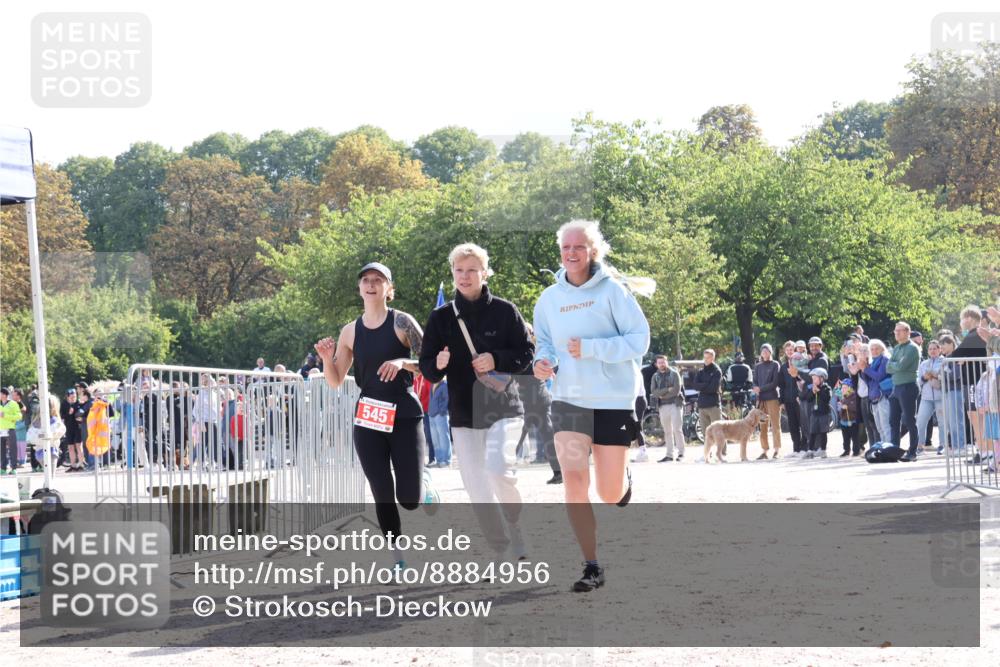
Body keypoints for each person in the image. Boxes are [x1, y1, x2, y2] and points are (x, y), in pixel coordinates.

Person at [531, 220, 651, 592]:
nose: (571, 253)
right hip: (568, 400)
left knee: (609, 494)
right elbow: (545, 344)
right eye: (565, 247)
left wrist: (592, 348)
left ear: (592, 251)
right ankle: (592, 565)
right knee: (574, 481)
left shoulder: (613, 291)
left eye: (578, 246)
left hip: (613, 400)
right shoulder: (548, 299)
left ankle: (622, 481)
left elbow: (640, 340)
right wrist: (542, 362)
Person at [316, 261, 438, 569]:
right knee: (381, 490)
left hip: (404, 414)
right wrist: (326, 359)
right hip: (369, 416)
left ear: (389, 288)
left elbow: (431, 366)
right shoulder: (349, 331)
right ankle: (398, 559)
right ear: (359, 288)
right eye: (366, 280)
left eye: (378, 280)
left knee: (408, 499)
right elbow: (335, 380)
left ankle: (423, 483)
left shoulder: (402, 322)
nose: (371, 284)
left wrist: (401, 362)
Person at [419, 243, 534, 563]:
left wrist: (496, 358)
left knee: (499, 470)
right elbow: (426, 367)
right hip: (463, 413)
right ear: (452, 273)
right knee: (476, 487)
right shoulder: (441, 317)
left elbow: (526, 354)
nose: (465, 276)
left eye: (472, 270)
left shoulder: (506, 311)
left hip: (504, 408)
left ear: (485, 273)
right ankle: (499, 548)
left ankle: (515, 524)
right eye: (459, 270)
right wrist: (437, 364)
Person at [887, 322, 921, 462]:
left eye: (899, 331)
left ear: (907, 332)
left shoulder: (912, 348)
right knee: (893, 420)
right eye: (895, 331)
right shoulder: (896, 348)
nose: (896, 333)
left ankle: (912, 452)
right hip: (896, 387)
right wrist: (895, 365)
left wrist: (894, 365)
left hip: (908, 386)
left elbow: (900, 366)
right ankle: (894, 451)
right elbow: (888, 367)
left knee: (909, 420)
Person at [650, 355, 685, 462]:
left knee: (677, 430)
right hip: (662, 406)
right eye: (659, 362)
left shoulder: (674, 374)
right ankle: (669, 455)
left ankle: (681, 454)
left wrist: (662, 395)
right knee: (667, 431)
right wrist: (666, 389)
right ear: (656, 364)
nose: (661, 364)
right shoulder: (655, 376)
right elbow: (654, 392)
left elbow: (676, 390)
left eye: (663, 362)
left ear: (667, 362)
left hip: (675, 404)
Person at [752, 343, 782, 459]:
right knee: (762, 426)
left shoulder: (775, 364)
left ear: (770, 352)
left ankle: (777, 450)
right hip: (761, 399)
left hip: (772, 398)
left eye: (767, 350)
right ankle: (764, 451)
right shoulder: (758, 366)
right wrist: (755, 388)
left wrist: (761, 388)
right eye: (763, 351)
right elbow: (754, 381)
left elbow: (775, 383)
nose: (764, 352)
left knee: (775, 425)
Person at [916, 340, 945, 455]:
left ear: (939, 350)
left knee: (942, 422)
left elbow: (947, 377)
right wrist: (924, 378)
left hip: (941, 397)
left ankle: (942, 445)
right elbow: (919, 381)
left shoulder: (944, 361)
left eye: (935, 348)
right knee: (921, 421)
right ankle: (920, 446)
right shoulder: (923, 364)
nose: (932, 351)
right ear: (927, 351)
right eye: (930, 349)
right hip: (926, 398)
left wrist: (936, 376)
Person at [860, 339, 892, 443]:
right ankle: (884, 447)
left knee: (885, 426)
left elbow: (879, 377)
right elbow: (867, 381)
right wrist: (864, 368)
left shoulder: (885, 360)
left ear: (882, 349)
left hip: (883, 396)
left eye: (877, 348)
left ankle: (889, 447)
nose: (874, 351)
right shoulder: (872, 362)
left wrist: (866, 369)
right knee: (879, 428)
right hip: (874, 397)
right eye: (872, 349)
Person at [778, 341, 805, 457]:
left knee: (802, 424)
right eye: (787, 350)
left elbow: (803, 381)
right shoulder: (783, 367)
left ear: (795, 350)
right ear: (785, 351)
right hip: (788, 400)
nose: (789, 351)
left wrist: (801, 395)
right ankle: (796, 449)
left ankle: (804, 448)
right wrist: (781, 401)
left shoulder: (801, 363)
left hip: (799, 398)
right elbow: (781, 385)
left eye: (791, 349)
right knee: (792, 425)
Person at [692, 349, 723, 439]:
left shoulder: (717, 371)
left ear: (713, 358)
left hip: (713, 405)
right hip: (702, 405)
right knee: (706, 434)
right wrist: (706, 384)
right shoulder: (700, 371)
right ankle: (708, 449)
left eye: (708, 357)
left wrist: (701, 386)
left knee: (718, 432)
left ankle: (722, 448)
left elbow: (713, 388)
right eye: (704, 357)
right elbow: (695, 385)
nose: (705, 360)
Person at [802, 368, 832, 459]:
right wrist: (812, 392)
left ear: (822, 378)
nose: (813, 381)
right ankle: (810, 450)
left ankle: (823, 450)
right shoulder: (812, 388)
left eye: (815, 378)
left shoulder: (826, 388)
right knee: (812, 432)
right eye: (813, 379)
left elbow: (827, 398)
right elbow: (808, 398)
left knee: (823, 432)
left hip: (824, 414)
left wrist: (819, 391)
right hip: (814, 414)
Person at [427, 378, 452, 468]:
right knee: (436, 439)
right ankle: (439, 460)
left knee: (444, 438)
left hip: (441, 415)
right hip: (431, 415)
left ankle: (446, 461)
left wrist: (442, 412)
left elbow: (447, 400)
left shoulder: (445, 385)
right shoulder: (433, 384)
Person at [834, 378, 861, 457]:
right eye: (842, 388)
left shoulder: (854, 396)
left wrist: (848, 407)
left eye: (845, 388)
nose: (843, 389)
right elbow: (840, 409)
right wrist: (841, 408)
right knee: (845, 437)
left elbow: (856, 407)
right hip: (844, 421)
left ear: (850, 388)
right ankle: (846, 450)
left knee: (855, 437)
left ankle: (856, 451)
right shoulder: (842, 397)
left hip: (852, 421)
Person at [0, 388, 21, 475]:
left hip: (10, 430)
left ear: (4, 395)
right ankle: (3, 468)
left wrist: (5, 415)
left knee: (12, 450)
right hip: (0, 431)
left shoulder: (13, 404)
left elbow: (19, 416)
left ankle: (14, 468)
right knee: (1, 451)